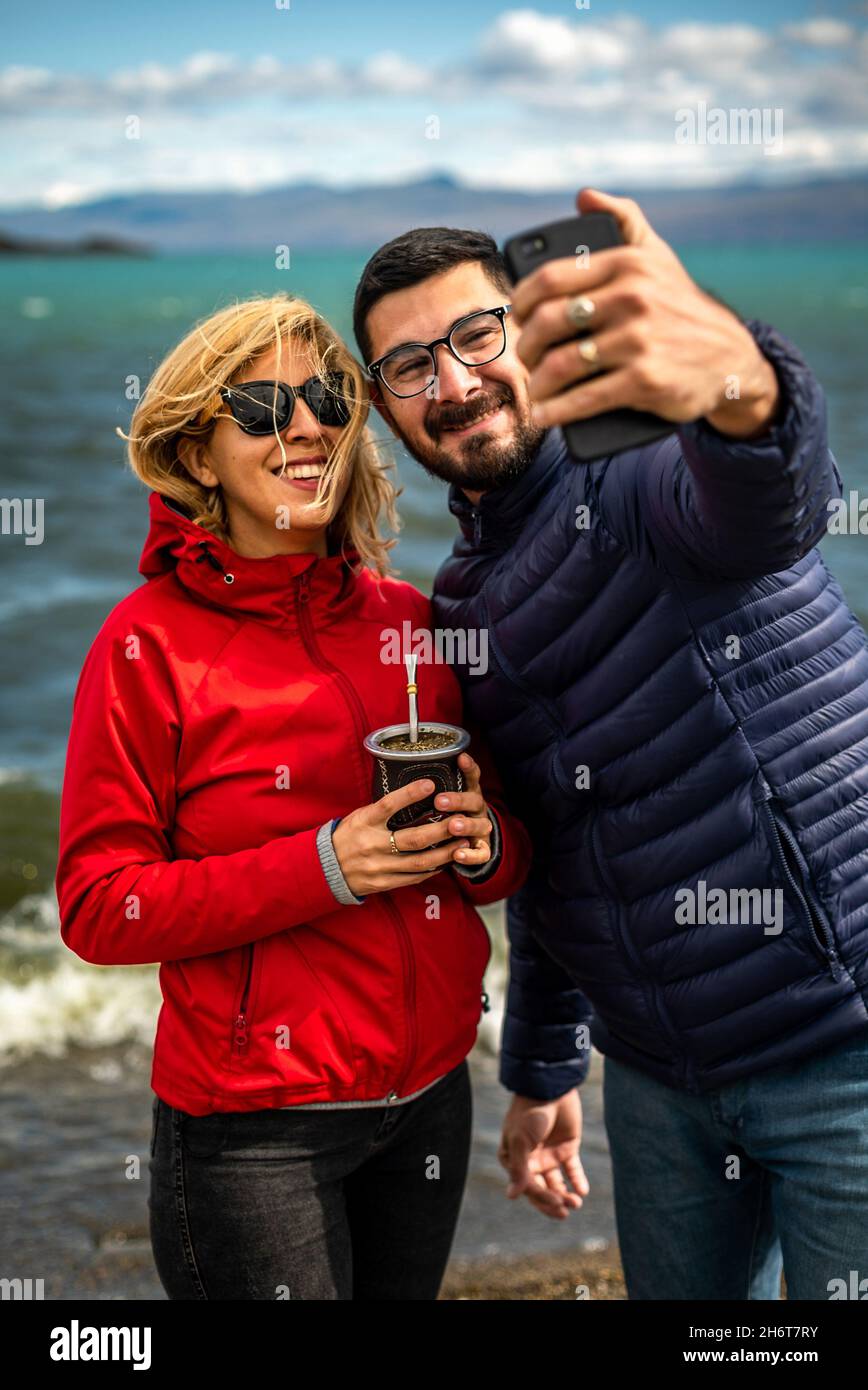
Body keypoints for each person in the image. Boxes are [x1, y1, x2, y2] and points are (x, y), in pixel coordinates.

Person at [352, 187, 868, 1300]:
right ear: (383, 407)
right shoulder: (460, 604)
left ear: (529, 331)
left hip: (840, 1046)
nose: (451, 384)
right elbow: (550, 849)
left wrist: (734, 373)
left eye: (475, 335)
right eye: (408, 368)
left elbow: (773, 495)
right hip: (658, 1084)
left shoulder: (638, 470)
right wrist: (541, 1071)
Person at [54, 292, 532, 1300]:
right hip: (254, 1136)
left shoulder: (413, 621)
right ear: (196, 454)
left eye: (324, 398)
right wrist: (326, 865)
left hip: (433, 1098)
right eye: (264, 408)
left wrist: (485, 843)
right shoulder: (145, 645)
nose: (306, 425)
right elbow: (100, 906)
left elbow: (505, 860)